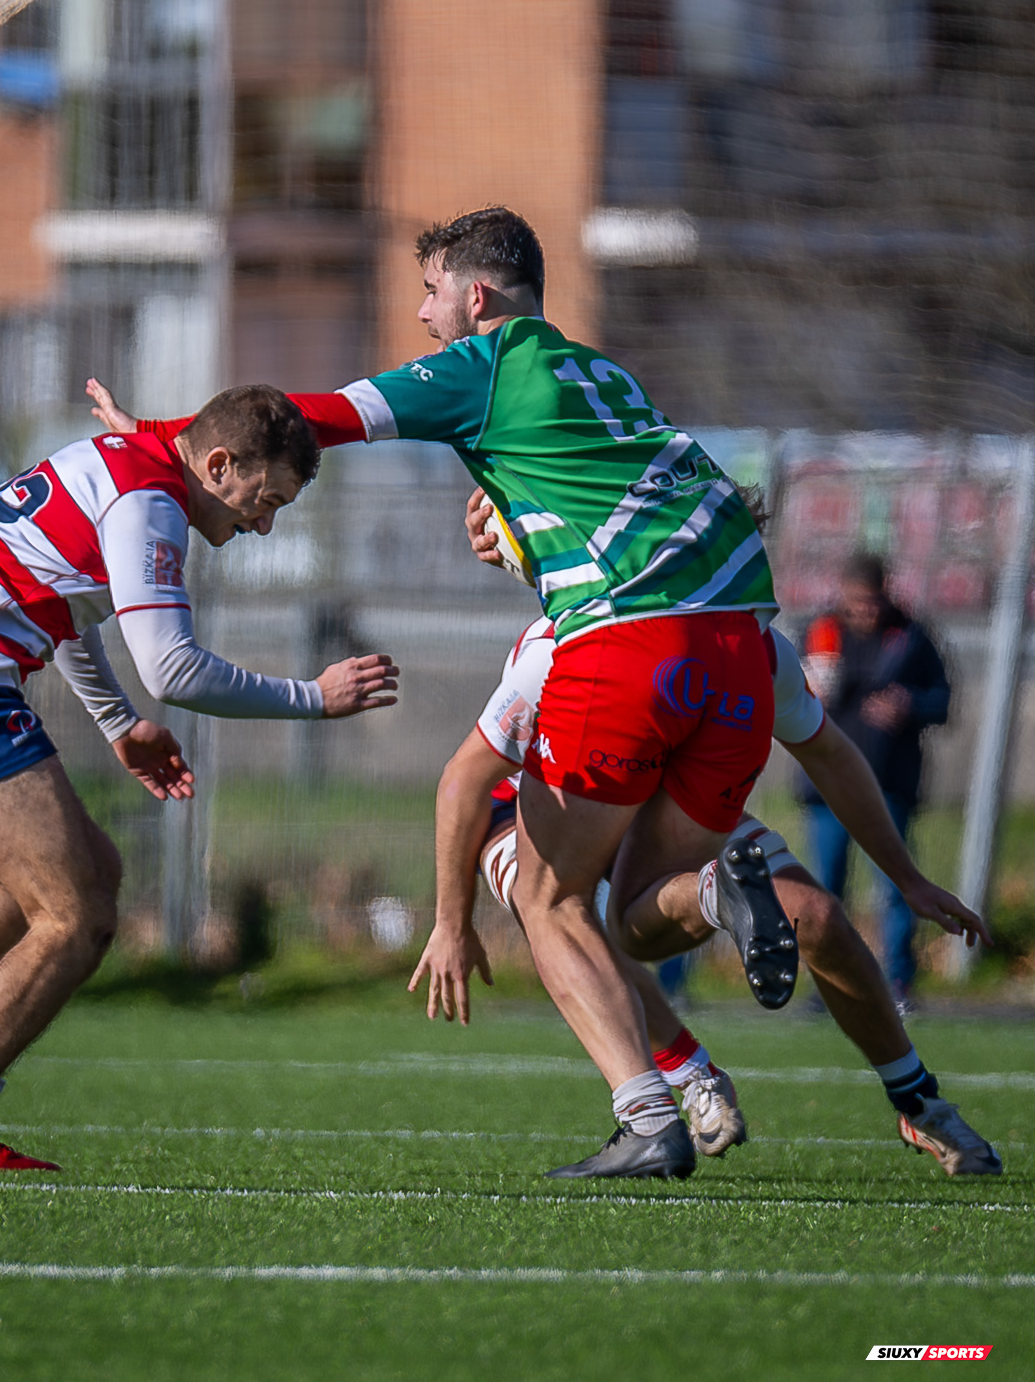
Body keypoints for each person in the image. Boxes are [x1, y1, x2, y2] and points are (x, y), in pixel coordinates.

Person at [90, 204, 795, 1182]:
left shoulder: (481, 364)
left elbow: (307, 419)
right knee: (636, 909)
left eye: (427, 294)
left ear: (475, 294)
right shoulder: (603, 372)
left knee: (544, 894)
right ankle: (718, 895)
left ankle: (646, 1118)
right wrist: (516, 532)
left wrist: (163, 436)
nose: (421, 318)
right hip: (737, 643)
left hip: (623, 646)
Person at [0, 388, 398, 1172]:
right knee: (77, 917)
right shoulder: (150, 500)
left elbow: (66, 611)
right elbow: (171, 667)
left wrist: (114, 725)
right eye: (264, 499)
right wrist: (313, 698)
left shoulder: (114, 466)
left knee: (93, 870)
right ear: (217, 464)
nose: (261, 524)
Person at [409, 599, 999, 1178]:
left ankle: (919, 1100)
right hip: (544, 793)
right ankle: (680, 1080)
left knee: (814, 915)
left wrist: (909, 879)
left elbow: (830, 754)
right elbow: (465, 779)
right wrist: (451, 921)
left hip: (663, 798)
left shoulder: (753, 650)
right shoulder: (570, 641)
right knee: (557, 908)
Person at [801, 551, 951, 1008]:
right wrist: (815, 688)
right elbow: (790, 693)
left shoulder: (911, 636)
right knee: (826, 889)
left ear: (886, 593)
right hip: (827, 786)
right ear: (844, 594)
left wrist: (909, 704)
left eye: (874, 600)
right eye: (858, 600)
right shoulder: (820, 631)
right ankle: (829, 987)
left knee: (895, 888)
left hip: (889, 784)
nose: (866, 608)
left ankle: (898, 984)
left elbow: (942, 702)